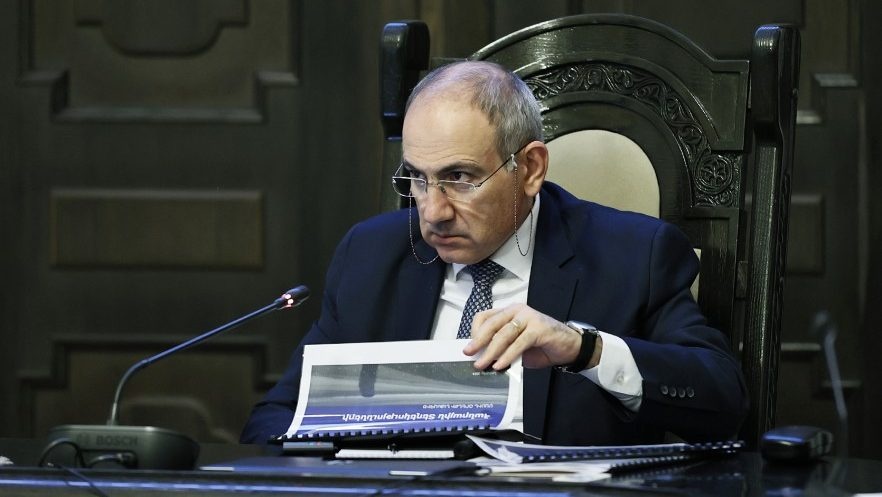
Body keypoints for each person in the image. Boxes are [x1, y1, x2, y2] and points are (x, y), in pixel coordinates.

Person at [241, 61, 747, 445]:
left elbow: (724, 401)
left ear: (530, 169)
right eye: (417, 178)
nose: (432, 211)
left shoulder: (634, 256)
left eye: (459, 178)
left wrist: (583, 349)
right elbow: (276, 419)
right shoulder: (371, 255)